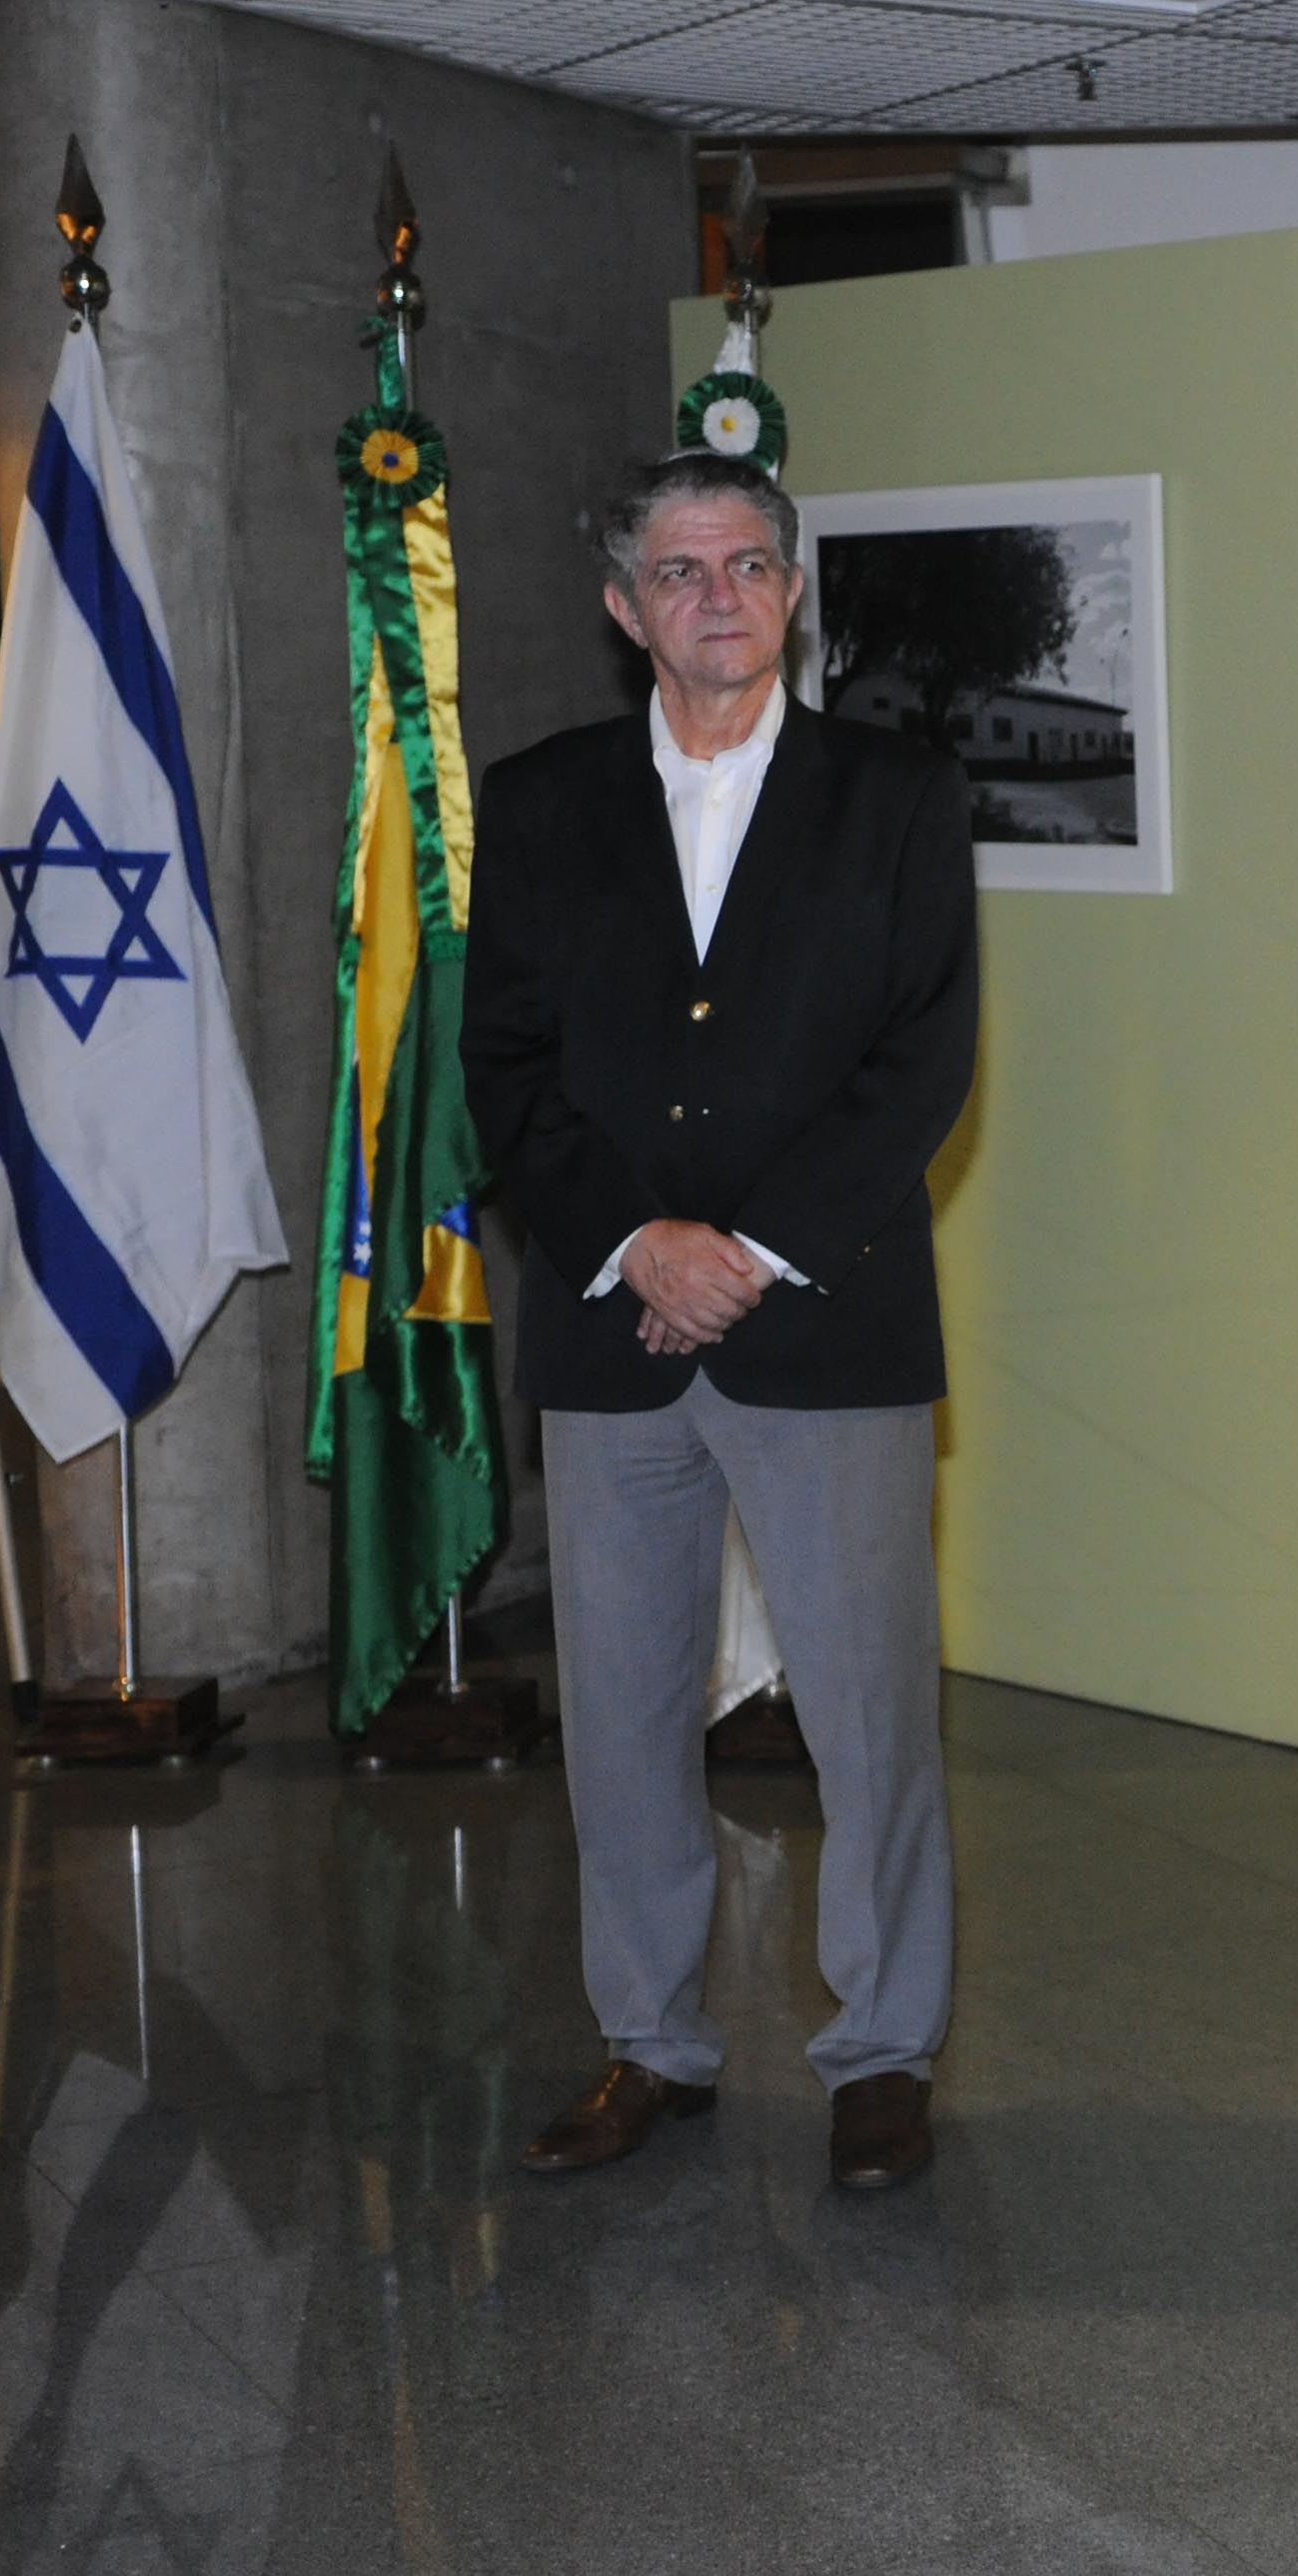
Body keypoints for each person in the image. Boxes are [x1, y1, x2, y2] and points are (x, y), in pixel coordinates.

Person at [462, 451, 979, 2192]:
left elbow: (921, 1061)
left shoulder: (897, 795)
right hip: (612, 1332)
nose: (719, 598)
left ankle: (883, 2054)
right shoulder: (540, 801)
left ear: (794, 591)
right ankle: (650, 2045)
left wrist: (744, 1250)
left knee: (869, 1719)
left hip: (826, 1325)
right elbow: (504, 1065)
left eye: (749, 563)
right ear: (626, 609)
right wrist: (636, 1244)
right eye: (680, 573)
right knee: (618, 1720)